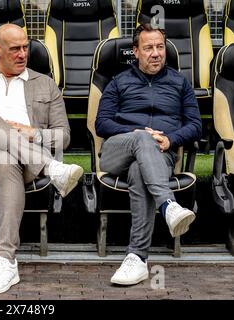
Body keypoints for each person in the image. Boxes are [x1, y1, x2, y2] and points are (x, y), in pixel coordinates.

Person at [0, 23, 83, 295]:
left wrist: (32, 134)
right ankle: (53, 168)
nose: (23, 54)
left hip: (22, 162)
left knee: (6, 155)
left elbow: (64, 136)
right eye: (15, 49)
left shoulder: (45, 84)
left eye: (26, 48)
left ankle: (4, 260)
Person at [96, 23, 202, 286]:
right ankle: (168, 205)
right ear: (136, 52)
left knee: (139, 172)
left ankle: (137, 258)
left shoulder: (180, 83)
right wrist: (137, 132)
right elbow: (102, 123)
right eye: (148, 48)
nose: (156, 53)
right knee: (142, 139)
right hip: (116, 152)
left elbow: (195, 125)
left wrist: (169, 139)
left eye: (160, 47)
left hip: (160, 154)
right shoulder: (118, 82)